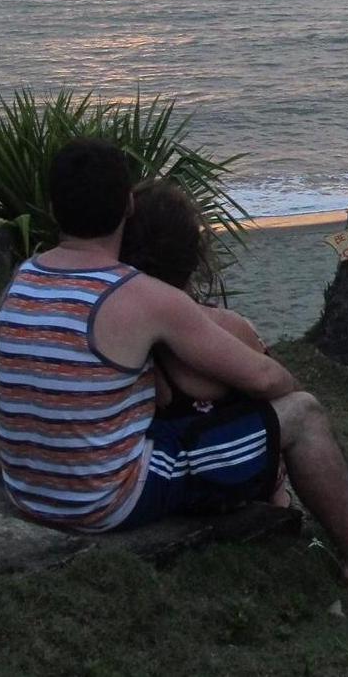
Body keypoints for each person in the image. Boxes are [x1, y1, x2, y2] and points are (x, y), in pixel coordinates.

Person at [0, 137, 348, 606]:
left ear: (54, 207)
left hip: (27, 489)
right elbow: (265, 379)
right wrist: (279, 385)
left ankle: (289, 514)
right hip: (99, 502)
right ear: (127, 205)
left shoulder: (22, 278)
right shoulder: (142, 296)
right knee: (301, 414)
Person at [119, 177, 290, 508]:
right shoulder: (228, 328)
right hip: (220, 478)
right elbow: (273, 385)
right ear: (194, 256)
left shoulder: (118, 328)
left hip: (151, 475)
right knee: (294, 413)